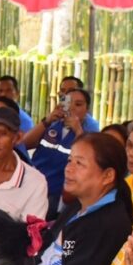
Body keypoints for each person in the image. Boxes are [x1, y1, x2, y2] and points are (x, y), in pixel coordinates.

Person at [31, 133, 133, 265]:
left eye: (80, 163)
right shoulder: (80, 205)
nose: (69, 169)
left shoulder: (106, 225)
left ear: (107, 176)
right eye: (70, 160)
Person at [27, 88, 96, 217]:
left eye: (78, 104)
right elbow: (25, 144)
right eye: (68, 102)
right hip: (32, 186)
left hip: (57, 195)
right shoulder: (51, 126)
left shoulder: (87, 135)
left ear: (87, 110)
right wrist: (46, 121)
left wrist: (77, 130)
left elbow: (87, 159)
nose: (72, 108)